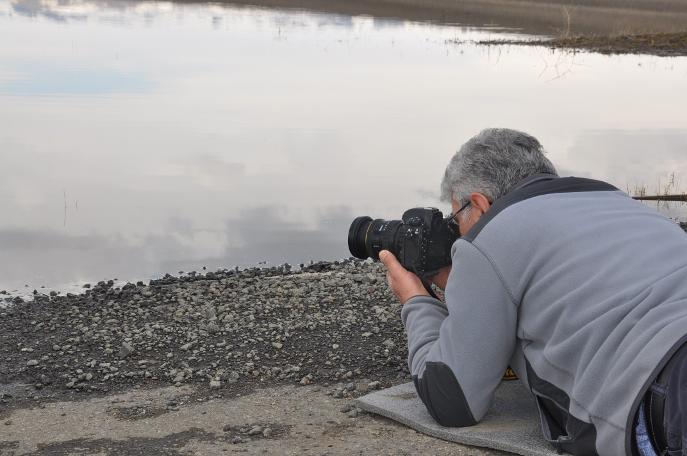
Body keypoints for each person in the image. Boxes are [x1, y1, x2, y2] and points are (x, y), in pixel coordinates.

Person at [378, 128, 687, 456]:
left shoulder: (492, 234)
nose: (460, 234)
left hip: (668, 390)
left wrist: (415, 299)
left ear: (480, 204)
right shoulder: (618, 202)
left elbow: (451, 400)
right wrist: (463, 284)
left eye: (457, 218)